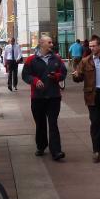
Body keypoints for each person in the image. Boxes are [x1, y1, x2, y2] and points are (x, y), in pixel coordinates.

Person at [21, 32, 67, 161]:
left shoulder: (57, 58)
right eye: (49, 42)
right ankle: (41, 146)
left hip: (53, 97)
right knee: (40, 123)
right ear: (41, 44)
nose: (52, 44)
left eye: (52, 42)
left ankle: (56, 151)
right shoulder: (31, 59)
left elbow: (63, 73)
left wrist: (56, 77)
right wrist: (35, 81)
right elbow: (25, 75)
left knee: (53, 123)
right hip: (38, 98)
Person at [72, 35, 100, 163]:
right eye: (90, 46)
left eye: (94, 46)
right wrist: (76, 75)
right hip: (91, 95)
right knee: (95, 122)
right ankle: (96, 151)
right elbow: (79, 78)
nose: (92, 48)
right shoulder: (85, 61)